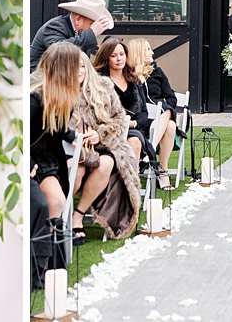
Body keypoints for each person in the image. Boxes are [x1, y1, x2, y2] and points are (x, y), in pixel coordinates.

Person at [29, 42, 110, 248]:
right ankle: (42, 261)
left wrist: (77, 137)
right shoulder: (34, 98)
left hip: (48, 161)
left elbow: (59, 128)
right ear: (64, 69)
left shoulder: (62, 96)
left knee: (57, 202)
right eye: (77, 66)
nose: (82, 71)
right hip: (33, 161)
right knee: (49, 203)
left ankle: (50, 259)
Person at [72, 52, 141, 239]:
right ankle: (58, 218)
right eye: (73, 66)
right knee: (76, 170)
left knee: (106, 164)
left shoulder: (103, 87)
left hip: (103, 147)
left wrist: (99, 134)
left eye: (82, 66)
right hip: (70, 147)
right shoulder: (58, 90)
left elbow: (120, 119)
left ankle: (77, 216)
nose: (79, 71)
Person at [127, 39, 178, 190]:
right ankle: (162, 172)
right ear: (139, 53)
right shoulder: (129, 76)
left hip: (162, 115)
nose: (152, 52)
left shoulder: (157, 72)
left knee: (168, 118)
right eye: (148, 49)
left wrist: (162, 108)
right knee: (170, 124)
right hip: (144, 120)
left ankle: (151, 157)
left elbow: (171, 98)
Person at [93, 37, 151, 166]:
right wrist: (119, 124)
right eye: (113, 56)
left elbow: (144, 112)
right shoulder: (99, 81)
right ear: (106, 58)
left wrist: (133, 123)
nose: (119, 59)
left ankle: (132, 182)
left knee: (134, 141)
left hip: (133, 129)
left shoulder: (134, 79)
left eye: (121, 54)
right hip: (107, 129)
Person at [29, 0, 115, 72]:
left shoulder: (84, 35)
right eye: (92, 24)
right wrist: (92, 32)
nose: (95, 28)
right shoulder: (54, 26)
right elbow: (61, 51)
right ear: (78, 19)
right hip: (42, 82)